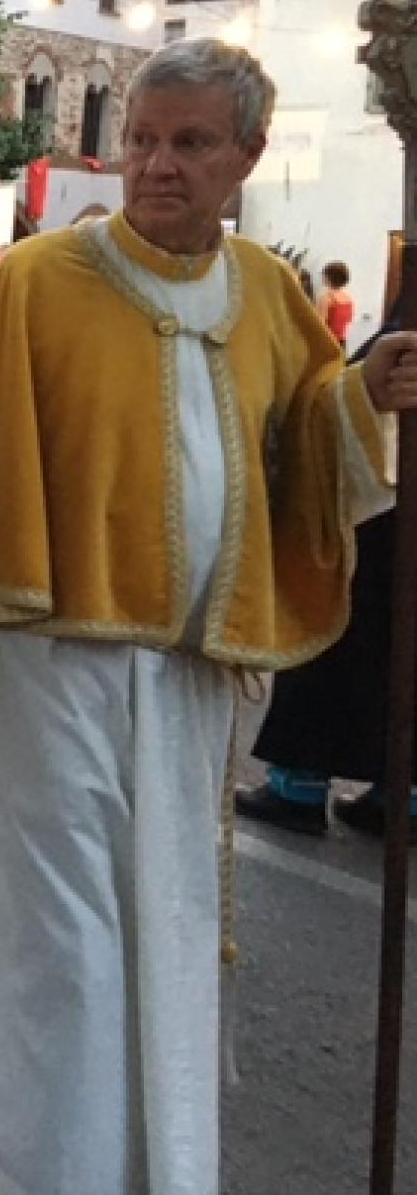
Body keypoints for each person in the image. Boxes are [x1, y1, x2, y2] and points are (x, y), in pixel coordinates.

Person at [0, 38, 417, 1194]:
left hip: (189, 675)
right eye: (140, 140)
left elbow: (302, 445)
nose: (156, 165)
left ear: (246, 157)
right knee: (62, 938)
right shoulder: (38, 279)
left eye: (188, 144)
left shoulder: (272, 295)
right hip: (48, 663)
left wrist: (360, 397)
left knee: (169, 929)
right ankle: (58, 1168)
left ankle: (156, 1167)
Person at [235, 296, 411, 838]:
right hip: (389, 510)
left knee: (326, 629)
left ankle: (300, 785)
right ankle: (397, 790)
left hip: (384, 517)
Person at [317, 260, 354, 344]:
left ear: (328, 277)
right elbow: (348, 320)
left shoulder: (327, 298)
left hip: (328, 341)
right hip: (342, 340)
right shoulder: (347, 298)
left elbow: (320, 323)